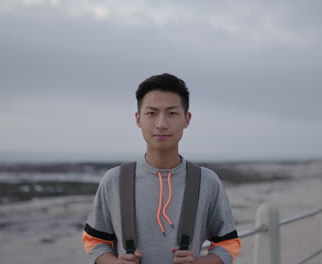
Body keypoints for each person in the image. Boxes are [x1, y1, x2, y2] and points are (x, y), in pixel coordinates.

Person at [82, 73, 241, 264]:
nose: (161, 124)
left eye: (172, 113)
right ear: (138, 119)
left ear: (187, 119)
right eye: (152, 113)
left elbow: (229, 242)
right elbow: (94, 240)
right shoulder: (114, 179)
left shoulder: (207, 180)